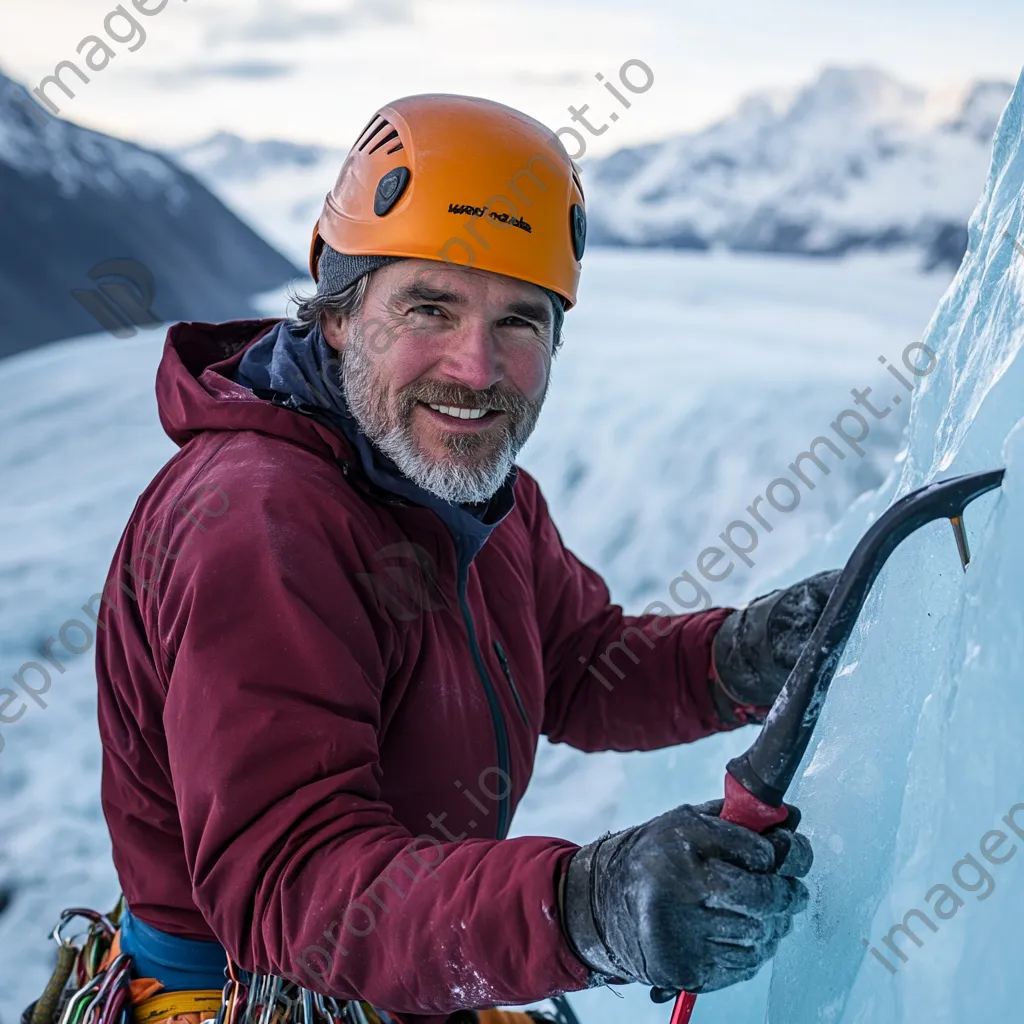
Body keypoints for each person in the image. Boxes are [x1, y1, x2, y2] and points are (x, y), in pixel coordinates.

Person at [87, 93, 834, 1024]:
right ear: (337, 312)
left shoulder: (467, 487)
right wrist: (585, 908)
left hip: (407, 974)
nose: (476, 369)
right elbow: (292, 882)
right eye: (430, 307)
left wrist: (748, 654)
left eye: (519, 321)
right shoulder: (258, 522)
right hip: (253, 997)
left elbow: (575, 664)